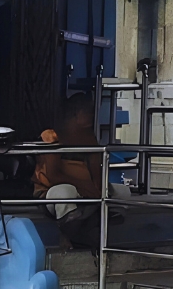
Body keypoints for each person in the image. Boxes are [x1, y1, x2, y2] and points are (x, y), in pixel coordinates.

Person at [33, 93, 119, 249]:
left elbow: (96, 170)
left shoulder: (89, 138)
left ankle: (88, 232)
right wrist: (83, 187)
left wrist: (98, 189)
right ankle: (69, 236)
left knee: (120, 192)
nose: (92, 116)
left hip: (84, 192)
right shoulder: (52, 135)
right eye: (88, 112)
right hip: (52, 192)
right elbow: (53, 176)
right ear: (74, 114)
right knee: (65, 193)